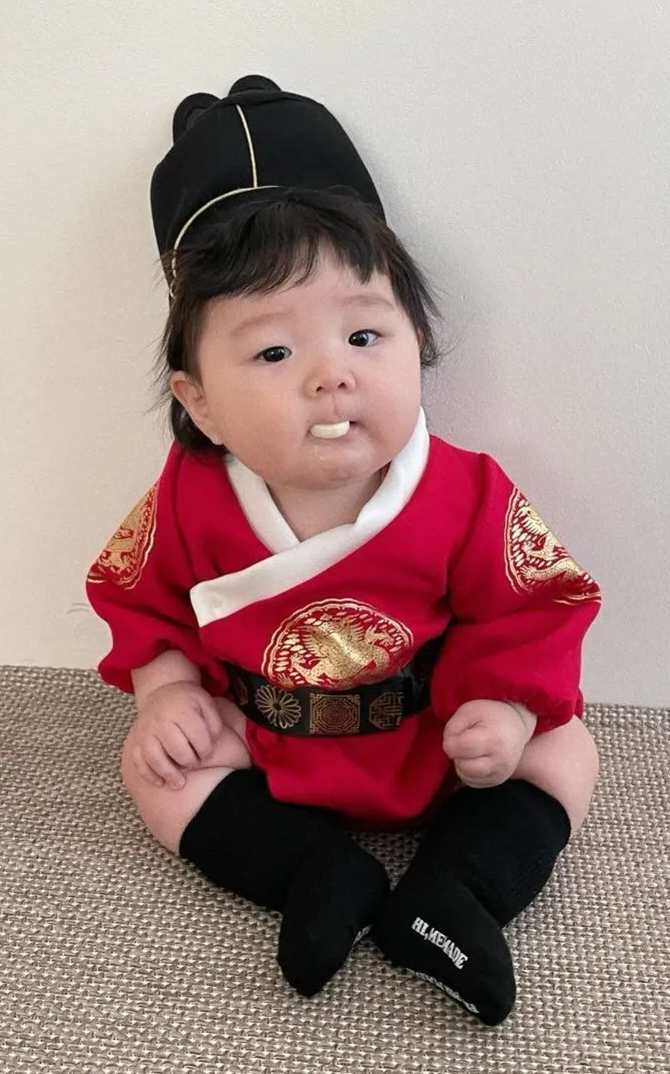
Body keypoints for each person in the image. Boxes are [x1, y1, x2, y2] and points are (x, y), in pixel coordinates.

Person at [86, 76, 602, 1026]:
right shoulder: (191, 496)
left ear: (418, 342)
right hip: (267, 733)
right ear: (199, 401)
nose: (332, 375)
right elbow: (139, 597)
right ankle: (313, 874)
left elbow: (532, 608)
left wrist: (502, 708)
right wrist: (165, 694)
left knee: (566, 750)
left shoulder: (465, 492)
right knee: (154, 772)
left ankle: (458, 891)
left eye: (365, 334)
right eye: (273, 354)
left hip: (431, 734)